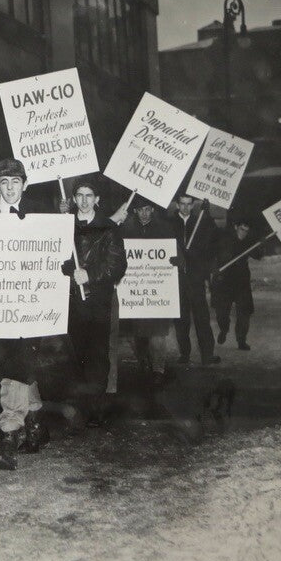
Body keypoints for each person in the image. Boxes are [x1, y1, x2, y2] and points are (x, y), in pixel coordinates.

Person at [0, 158, 50, 471]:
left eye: (16, 181)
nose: (10, 188)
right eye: (4, 182)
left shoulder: (41, 215)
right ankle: (37, 424)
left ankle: (9, 435)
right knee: (14, 365)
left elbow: (56, 254)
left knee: (15, 365)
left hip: (31, 304)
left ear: (25, 185)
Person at [60, 178, 127, 424]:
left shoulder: (109, 228)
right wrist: (68, 270)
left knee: (97, 354)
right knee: (75, 354)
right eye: (80, 195)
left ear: (97, 199)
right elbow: (56, 258)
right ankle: (79, 409)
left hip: (98, 301)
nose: (85, 200)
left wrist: (90, 275)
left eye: (90, 195)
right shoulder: (65, 226)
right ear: (74, 198)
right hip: (71, 302)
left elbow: (117, 265)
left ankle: (96, 408)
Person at [121, 199, 177, 385]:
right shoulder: (126, 230)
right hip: (136, 291)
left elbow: (177, 251)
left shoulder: (165, 229)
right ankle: (144, 360)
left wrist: (177, 261)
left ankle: (158, 370)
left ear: (153, 209)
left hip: (158, 290)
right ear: (135, 211)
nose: (144, 213)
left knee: (158, 333)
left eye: (148, 209)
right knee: (139, 332)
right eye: (140, 210)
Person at [170, 194, 221, 366]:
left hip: (195, 277)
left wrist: (207, 214)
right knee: (181, 319)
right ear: (177, 204)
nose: (185, 208)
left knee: (202, 318)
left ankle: (208, 354)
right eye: (182, 204)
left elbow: (213, 239)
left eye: (189, 204)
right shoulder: (170, 223)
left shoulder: (200, 221)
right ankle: (185, 354)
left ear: (193, 205)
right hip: (176, 278)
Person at [212, 215, 263, 351]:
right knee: (221, 312)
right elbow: (217, 256)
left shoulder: (249, 241)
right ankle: (224, 329)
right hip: (225, 280)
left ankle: (241, 340)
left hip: (241, 282)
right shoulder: (225, 239)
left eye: (246, 231)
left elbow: (258, 256)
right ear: (236, 227)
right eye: (241, 229)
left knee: (244, 312)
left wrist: (259, 244)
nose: (243, 233)